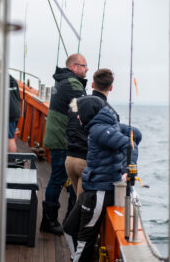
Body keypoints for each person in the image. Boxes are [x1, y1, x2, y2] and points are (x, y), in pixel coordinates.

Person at [63, 96, 142, 262]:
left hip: (99, 191)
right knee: (69, 228)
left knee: (85, 238)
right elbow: (137, 134)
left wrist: (129, 168)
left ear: (87, 114)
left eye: (79, 114)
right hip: (91, 187)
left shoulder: (98, 129)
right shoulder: (111, 125)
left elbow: (129, 144)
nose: (78, 117)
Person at [40, 53, 89, 235]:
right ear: (74, 67)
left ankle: (57, 218)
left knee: (58, 178)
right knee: (57, 179)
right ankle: (49, 220)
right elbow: (83, 107)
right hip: (61, 139)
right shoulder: (72, 84)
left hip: (57, 135)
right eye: (84, 66)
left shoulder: (64, 81)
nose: (87, 69)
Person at [65, 68, 119, 199]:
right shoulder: (110, 112)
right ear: (111, 88)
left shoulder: (75, 102)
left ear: (93, 85)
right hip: (86, 163)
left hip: (70, 160)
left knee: (78, 202)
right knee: (82, 208)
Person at [8, 75, 21, 153]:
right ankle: (10, 163)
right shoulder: (12, 79)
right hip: (14, 111)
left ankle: (9, 162)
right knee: (10, 138)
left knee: (8, 139)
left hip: (6, 112)